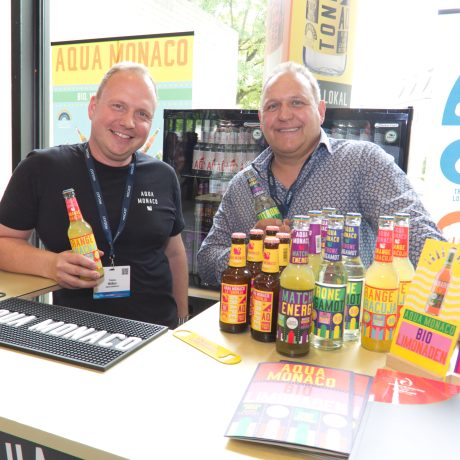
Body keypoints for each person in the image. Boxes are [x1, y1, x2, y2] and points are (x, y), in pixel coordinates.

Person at [197, 61, 445, 286]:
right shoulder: (243, 184)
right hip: (259, 320)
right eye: (273, 106)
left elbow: (421, 241)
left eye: (297, 102)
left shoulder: (363, 162)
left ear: (321, 111)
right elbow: (207, 261)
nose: (284, 115)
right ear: (262, 119)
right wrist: (249, 251)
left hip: (340, 320)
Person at [0, 62, 189, 328]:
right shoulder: (43, 168)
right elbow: (4, 241)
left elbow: (174, 254)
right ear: (92, 107)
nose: (128, 122)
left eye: (142, 114)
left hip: (157, 331)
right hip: (79, 333)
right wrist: (50, 264)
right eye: (118, 106)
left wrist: (182, 320)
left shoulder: (164, 175)